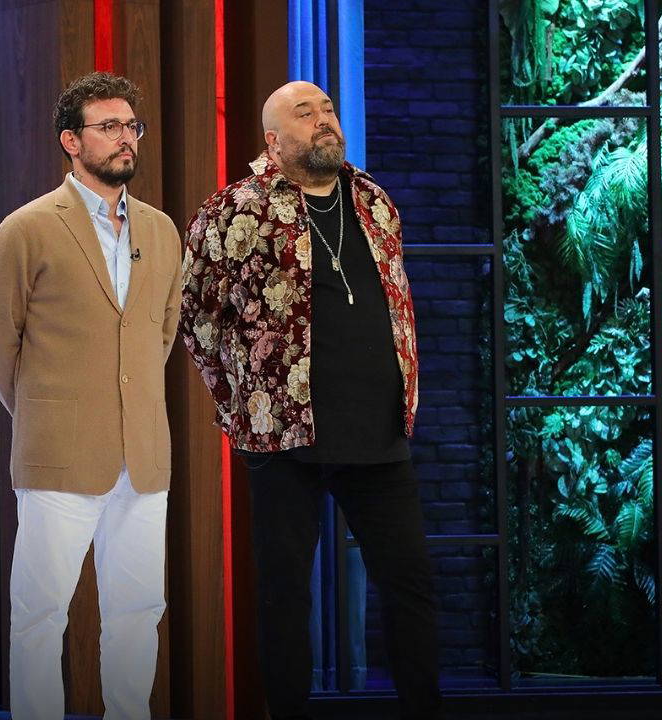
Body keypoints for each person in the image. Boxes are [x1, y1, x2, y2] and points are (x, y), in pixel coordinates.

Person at [177, 80, 442, 720]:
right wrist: (240, 405)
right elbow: (197, 317)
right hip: (283, 437)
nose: (324, 119)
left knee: (410, 587)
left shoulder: (374, 200)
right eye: (305, 113)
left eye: (327, 109)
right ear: (273, 140)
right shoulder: (232, 212)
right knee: (284, 595)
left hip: (377, 431)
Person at [0, 71, 182, 720]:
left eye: (132, 126)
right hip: (58, 454)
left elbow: (160, 333)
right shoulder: (26, 229)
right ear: (71, 141)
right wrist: (49, 414)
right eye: (109, 127)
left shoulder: (162, 230)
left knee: (139, 610)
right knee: (40, 615)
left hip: (142, 454)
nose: (126, 139)